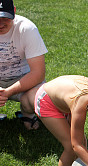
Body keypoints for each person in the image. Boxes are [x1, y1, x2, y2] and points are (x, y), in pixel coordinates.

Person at [0, 0, 47, 130]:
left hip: (23, 79)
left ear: (14, 12)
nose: (1, 23)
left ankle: (28, 113)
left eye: (5, 17)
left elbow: (38, 74)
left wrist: (7, 92)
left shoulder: (27, 28)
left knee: (41, 97)